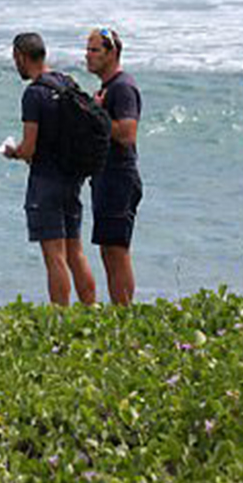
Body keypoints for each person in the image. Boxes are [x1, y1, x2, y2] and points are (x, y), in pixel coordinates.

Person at [3, 33, 97, 306]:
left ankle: (61, 316)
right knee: (75, 251)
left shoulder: (34, 93)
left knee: (54, 255)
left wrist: (14, 152)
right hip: (72, 177)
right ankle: (92, 309)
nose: (15, 64)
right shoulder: (67, 82)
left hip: (46, 180)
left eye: (14, 58)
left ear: (21, 56)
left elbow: (29, 148)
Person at [84, 29, 143, 305]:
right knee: (107, 249)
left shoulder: (123, 87)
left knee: (117, 249)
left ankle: (124, 310)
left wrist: (97, 115)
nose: (88, 55)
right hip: (105, 176)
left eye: (95, 50)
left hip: (120, 176)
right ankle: (119, 308)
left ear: (112, 53)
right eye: (88, 49)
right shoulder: (105, 88)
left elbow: (127, 133)